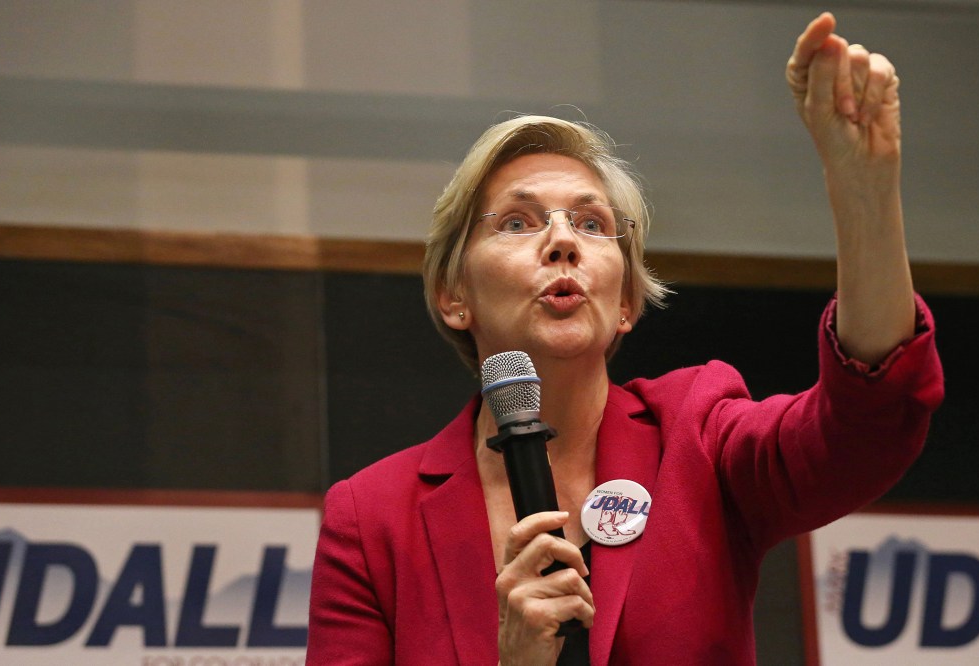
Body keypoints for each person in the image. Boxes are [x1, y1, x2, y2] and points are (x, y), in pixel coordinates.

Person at [306, 12, 944, 665]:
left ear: (626, 302)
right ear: (454, 296)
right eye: (518, 222)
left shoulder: (698, 440)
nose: (561, 240)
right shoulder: (373, 519)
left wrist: (863, 190)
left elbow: (864, 428)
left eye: (590, 222)